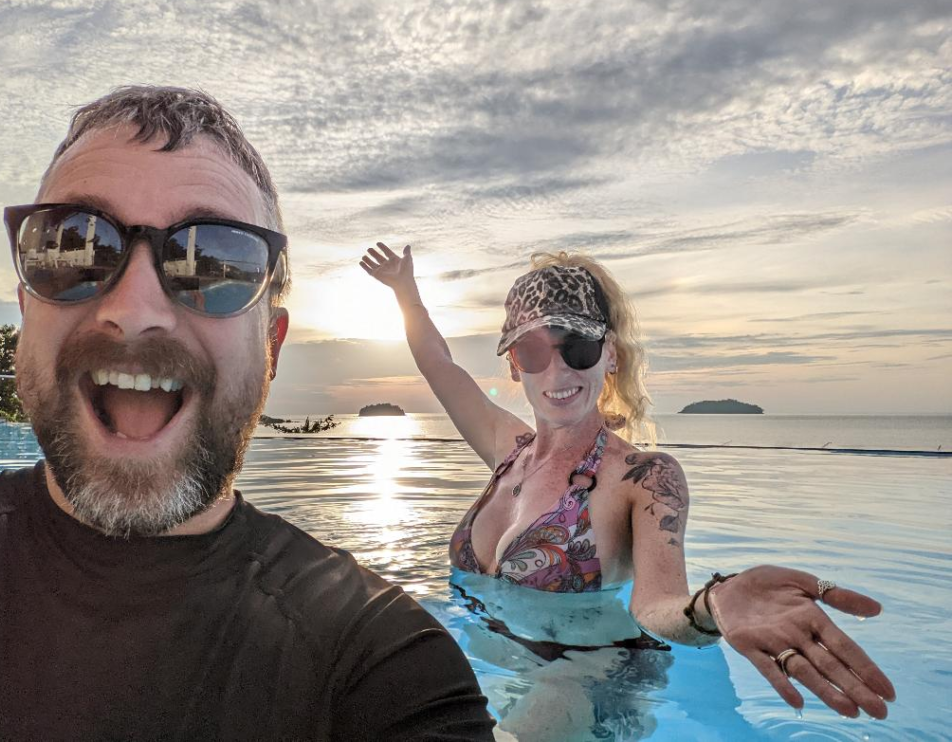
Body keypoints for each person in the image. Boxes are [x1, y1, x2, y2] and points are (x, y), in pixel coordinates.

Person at [0, 87, 495, 741]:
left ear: (272, 346)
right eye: (77, 246)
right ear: (27, 311)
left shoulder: (377, 664)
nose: (136, 309)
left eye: (213, 262)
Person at [361, 242, 897, 723]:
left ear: (611, 354)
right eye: (532, 352)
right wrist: (406, 292)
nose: (557, 373)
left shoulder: (643, 477)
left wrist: (714, 604)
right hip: (494, 664)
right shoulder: (507, 447)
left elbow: (656, 606)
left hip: (589, 679)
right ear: (514, 366)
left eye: (578, 348)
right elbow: (438, 364)